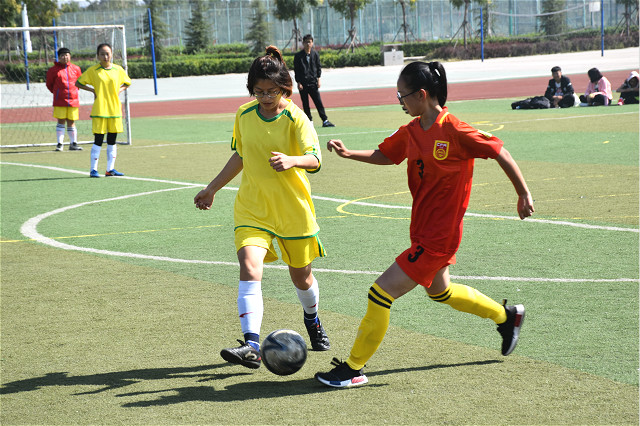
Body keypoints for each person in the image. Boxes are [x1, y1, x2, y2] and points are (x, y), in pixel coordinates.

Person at [315, 61, 535, 388]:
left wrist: (523, 193)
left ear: (421, 95)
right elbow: (386, 155)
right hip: (422, 230)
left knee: (380, 292)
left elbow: (500, 151)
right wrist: (349, 154)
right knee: (441, 292)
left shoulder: (455, 130)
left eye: (402, 96)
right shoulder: (413, 130)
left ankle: (353, 368)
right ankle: (506, 317)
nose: (400, 102)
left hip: (438, 238)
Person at [194, 45, 330, 370]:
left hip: (293, 211)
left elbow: (316, 159)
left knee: (302, 278)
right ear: (251, 90)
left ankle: (312, 319)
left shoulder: (297, 118)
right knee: (250, 266)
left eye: (272, 91)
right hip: (253, 209)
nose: (265, 98)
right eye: (259, 92)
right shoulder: (243, 115)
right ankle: (251, 344)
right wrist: (212, 188)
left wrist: (292, 160)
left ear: (284, 88)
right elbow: (240, 156)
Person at [76, 43, 131, 178]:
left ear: (112, 54)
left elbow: (128, 82)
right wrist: (93, 90)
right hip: (100, 110)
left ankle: (110, 169)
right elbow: (78, 83)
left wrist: (119, 90)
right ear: (98, 56)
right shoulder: (93, 71)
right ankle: (93, 170)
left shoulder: (118, 70)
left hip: (114, 110)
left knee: (112, 139)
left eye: (107, 53)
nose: (105, 56)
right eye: (102, 54)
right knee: (98, 140)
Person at [45, 47, 83, 152]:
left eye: (67, 55)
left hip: (73, 100)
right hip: (60, 101)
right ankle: (60, 144)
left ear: (70, 56)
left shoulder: (76, 69)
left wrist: (74, 92)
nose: (65, 57)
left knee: (71, 121)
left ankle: (73, 143)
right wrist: (57, 93)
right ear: (58, 57)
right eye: (62, 55)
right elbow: (49, 84)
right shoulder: (53, 70)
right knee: (61, 121)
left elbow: (79, 83)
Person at [293, 34, 335, 128]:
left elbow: (318, 67)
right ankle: (309, 121)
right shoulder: (298, 56)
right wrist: (298, 82)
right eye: (306, 42)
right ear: (303, 43)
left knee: (318, 102)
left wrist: (318, 79)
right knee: (305, 103)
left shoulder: (315, 54)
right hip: (303, 84)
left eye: (310, 42)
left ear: (312, 43)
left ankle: (325, 120)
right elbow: (297, 70)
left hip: (313, 82)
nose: (308, 44)